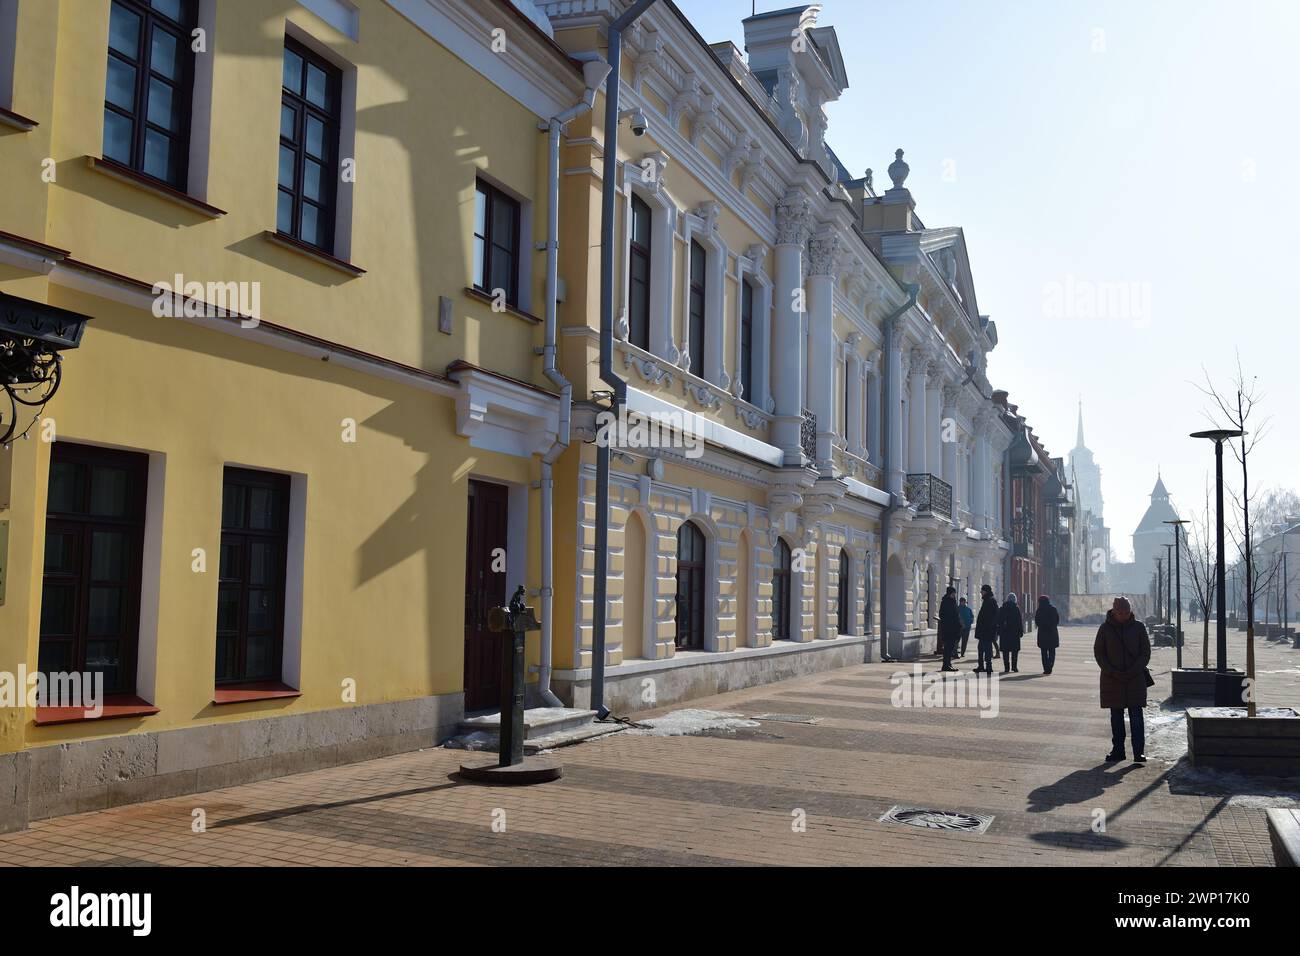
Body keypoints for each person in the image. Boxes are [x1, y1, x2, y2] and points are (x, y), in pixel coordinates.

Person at [1094, 596, 1152, 763]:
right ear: (1113, 611)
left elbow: (1145, 653)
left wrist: (1134, 670)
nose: (1124, 615)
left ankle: (1138, 752)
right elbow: (1099, 653)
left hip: (1135, 679)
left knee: (1136, 716)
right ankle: (1118, 750)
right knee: (1116, 717)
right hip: (1112, 680)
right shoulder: (1105, 629)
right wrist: (1112, 671)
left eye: (1127, 612)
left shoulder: (1139, 628)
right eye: (1120, 612)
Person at [973, 585, 999, 674]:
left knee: (987, 649)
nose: (981, 592)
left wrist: (990, 627)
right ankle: (981, 666)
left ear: (986, 591)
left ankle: (988, 667)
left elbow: (994, 616)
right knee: (980, 648)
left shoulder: (990, 601)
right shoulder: (987, 600)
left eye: (982, 591)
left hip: (987, 631)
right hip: (984, 630)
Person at [997, 592, 1024, 673]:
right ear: (1015, 600)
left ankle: (1006, 667)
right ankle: (1014, 667)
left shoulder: (1002, 608)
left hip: (1004, 633)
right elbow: (1019, 621)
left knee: (1005, 651)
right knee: (1014, 651)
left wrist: (999, 631)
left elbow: (998, 621)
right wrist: (1021, 631)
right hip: (1014, 633)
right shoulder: (1016, 609)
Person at [937, 586, 961, 672]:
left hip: (953, 629)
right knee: (948, 648)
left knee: (950, 648)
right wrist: (952, 621)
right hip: (949, 629)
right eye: (953, 593)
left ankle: (948, 664)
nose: (955, 594)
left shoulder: (952, 602)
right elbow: (943, 615)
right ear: (950, 593)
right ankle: (946, 665)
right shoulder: (946, 602)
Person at [1035, 595, 1060, 674]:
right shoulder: (1053, 609)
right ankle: (1050, 666)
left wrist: (1042, 626)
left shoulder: (1039, 610)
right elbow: (1057, 620)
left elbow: (1037, 621)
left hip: (1043, 634)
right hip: (1052, 634)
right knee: (1052, 651)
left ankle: (1046, 668)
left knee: (1044, 652)